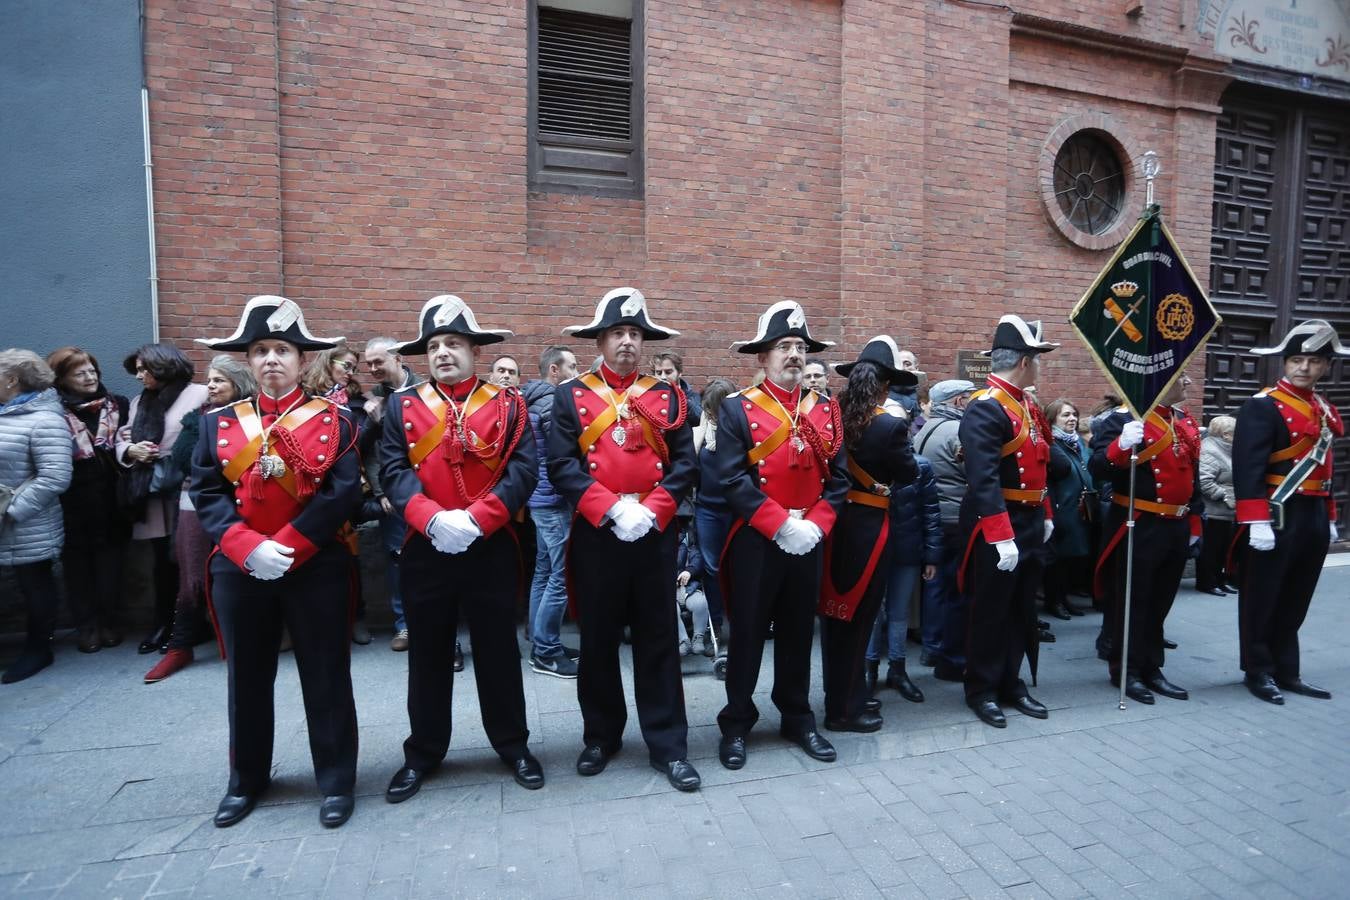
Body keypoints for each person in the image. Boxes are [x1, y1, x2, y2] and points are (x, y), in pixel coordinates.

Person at [190, 295, 362, 829]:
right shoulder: (218, 423)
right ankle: (246, 779)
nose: (271, 359)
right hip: (240, 569)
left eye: (282, 349)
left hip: (313, 565)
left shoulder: (334, 420)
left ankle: (335, 779)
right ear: (247, 359)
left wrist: (286, 545)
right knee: (247, 677)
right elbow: (207, 492)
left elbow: (341, 492)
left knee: (326, 673)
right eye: (260, 350)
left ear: (302, 359)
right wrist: (247, 548)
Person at [378, 294, 545, 801]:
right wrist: (431, 519)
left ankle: (513, 744)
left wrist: (479, 518)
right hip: (427, 546)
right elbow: (391, 470)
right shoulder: (402, 405)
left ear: (474, 349)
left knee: (498, 650)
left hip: (489, 542)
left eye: (454, 343)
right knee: (428, 655)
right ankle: (424, 751)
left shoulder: (508, 404)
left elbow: (522, 469)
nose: (444, 353)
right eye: (434, 345)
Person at [548, 287, 701, 792]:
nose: (628, 342)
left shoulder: (668, 395)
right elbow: (562, 466)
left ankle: (668, 743)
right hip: (599, 532)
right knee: (597, 640)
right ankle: (600, 736)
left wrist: (652, 510)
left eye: (635, 333)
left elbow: (685, 467)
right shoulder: (572, 394)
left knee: (658, 639)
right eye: (618, 333)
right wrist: (610, 508)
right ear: (601, 340)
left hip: (653, 534)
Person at [710, 301, 847, 770]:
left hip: (807, 536)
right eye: (784, 347)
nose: (794, 354)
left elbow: (841, 480)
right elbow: (730, 479)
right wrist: (779, 524)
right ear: (763, 357)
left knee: (797, 631)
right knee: (747, 631)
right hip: (758, 538)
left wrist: (815, 525)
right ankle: (736, 722)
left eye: (800, 347)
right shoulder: (737, 409)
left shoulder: (826, 409)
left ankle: (797, 715)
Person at [1233, 320, 1346, 704]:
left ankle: (1287, 669)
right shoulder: (1262, 406)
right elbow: (1247, 467)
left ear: (1326, 366)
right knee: (1263, 595)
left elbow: (1324, 466)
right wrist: (1256, 520)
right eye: (1296, 359)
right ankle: (1258, 670)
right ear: (1284, 363)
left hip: (1311, 512)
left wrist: (1329, 515)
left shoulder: (1323, 408)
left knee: (1297, 595)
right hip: (1276, 513)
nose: (1303, 368)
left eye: (1313, 361)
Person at [958, 316, 1057, 728]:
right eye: (1035, 359)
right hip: (998, 521)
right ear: (1023, 362)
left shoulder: (1028, 405)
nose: (1038, 367)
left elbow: (1041, 465)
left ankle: (1011, 681)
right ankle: (981, 687)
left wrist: (1046, 513)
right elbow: (982, 477)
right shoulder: (986, 408)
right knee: (991, 609)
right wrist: (1001, 534)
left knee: (1021, 608)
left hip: (1030, 518)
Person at [817, 336, 918, 732]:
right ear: (886, 384)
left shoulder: (832, 415)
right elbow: (908, 473)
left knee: (835, 619)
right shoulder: (891, 424)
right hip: (871, 527)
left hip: (835, 523)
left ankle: (841, 698)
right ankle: (846, 710)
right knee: (859, 621)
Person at [144, 356, 257, 684]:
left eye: (219, 380)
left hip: (242, 502)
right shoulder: (198, 418)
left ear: (239, 384)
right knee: (191, 574)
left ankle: (244, 640)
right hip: (195, 502)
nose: (211, 386)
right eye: (210, 380)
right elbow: (183, 459)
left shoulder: (255, 418)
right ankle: (180, 646)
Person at [1090, 375, 1202, 704]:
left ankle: (1153, 667)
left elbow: (1190, 474)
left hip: (1175, 524)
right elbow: (1098, 467)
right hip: (1138, 522)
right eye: (1180, 375)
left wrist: (1195, 521)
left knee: (1160, 601)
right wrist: (1121, 446)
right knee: (1133, 602)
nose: (1186, 381)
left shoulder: (1182, 420)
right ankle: (1127, 670)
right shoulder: (1121, 419)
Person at [117, 344, 210, 655]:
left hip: (188, 486)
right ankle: (163, 624)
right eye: (138, 370)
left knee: (191, 559)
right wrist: (131, 450)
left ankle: (195, 624)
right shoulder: (139, 401)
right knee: (162, 561)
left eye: (145, 369)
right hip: (153, 489)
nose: (140, 376)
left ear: (164, 366)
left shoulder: (199, 394)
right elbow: (123, 436)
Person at [47, 346, 131, 653]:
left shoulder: (117, 405)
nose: (88, 377)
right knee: (77, 569)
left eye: (92, 371)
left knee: (112, 566)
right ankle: (87, 627)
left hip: (112, 500)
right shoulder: (53, 412)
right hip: (71, 502)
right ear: (62, 379)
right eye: (79, 372)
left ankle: (109, 622)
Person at [0, 350, 74, 684]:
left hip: (25, 523)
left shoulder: (45, 418)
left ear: (12, 379)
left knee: (35, 585)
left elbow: (55, 476)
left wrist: (10, 510)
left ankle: (38, 649)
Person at [522, 344, 581, 678]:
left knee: (544, 571)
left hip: (539, 499)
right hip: (554, 500)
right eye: (571, 366)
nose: (577, 372)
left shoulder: (532, 397)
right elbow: (564, 450)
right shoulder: (553, 402)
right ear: (554, 371)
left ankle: (543, 640)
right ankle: (545, 651)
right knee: (559, 576)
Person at [911, 379, 975, 678]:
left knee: (934, 586)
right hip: (953, 518)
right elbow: (972, 472)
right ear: (959, 402)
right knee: (954, 588)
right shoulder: (958, 431)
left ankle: (931, 646)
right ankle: (946, 651)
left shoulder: (921, 429)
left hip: (929, 517)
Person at [864, 453, 940, 705]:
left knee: (899, 612)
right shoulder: (868, 460)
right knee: (873, 611)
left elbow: (931, 512)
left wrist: (931, 556)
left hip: (906, 549)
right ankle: (870, 667)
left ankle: (897, 668)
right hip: (874, 548)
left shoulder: (921, 466)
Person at [361, 336, 419, 652]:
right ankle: (404, 626)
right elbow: (365, 451)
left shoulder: (424, 389)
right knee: (397, 560)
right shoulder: (373, 398)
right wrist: (373, 422)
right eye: (368, 363)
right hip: (392, 497)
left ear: (397, 358)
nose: (373, 368)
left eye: (378, 361)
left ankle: (435, 629)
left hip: (426, 494)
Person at [693, 377, 738, 651]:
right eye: (708, 408)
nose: (710, 413)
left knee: (739, 568)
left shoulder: (740, 431)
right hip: (707, 509)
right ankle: (716, 627)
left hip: (736, 510)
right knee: (712, 570)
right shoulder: (701, 431)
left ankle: (742, 624)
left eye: (715, 409)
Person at [1042, 399, 1094, 619]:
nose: (1072, 418)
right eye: (1065, 415)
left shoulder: (1076, 442)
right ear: (1053, 419)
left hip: (1078, 509)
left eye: (1074, 414)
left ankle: (1065, 599)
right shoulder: (1051, 443)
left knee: (1071, 558)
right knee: (1058, 560)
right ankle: (1054, 602)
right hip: (1060, 508)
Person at [1196, 414, 1237, 595]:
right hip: (1213, 511)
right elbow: (1204, 481)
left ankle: (1219, 580)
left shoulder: (1228, 449)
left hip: (1226, 511)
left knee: (1222, 549)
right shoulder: (1210, 450)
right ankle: (1207, 582)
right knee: (1211, 550)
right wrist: (1225, 496)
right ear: (1226, 434)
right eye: (1236, 433)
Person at [674, 520, 709, 656]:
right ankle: (683, 640)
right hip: (666, 591)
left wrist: (689, 571)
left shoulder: (688, 544)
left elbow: (698, 558)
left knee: (701, 603)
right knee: (670, 609)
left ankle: (698, 637)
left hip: (689, 587)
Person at [652, 349, 703, 427]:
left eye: (668, 372)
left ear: (679, 373)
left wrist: (680, 398)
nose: (663, 377)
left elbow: (699, 420)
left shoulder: (692, 396)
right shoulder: (649, 395)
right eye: (658, 373)